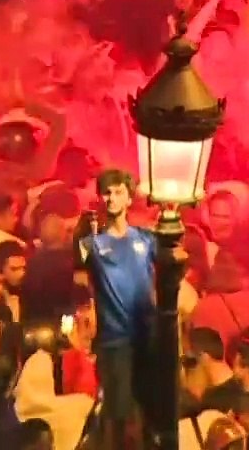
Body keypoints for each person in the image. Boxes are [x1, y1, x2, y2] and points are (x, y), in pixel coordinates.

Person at [77, 168, 170, 448]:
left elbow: (171, 273)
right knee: (117, 414)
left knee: (151, 409)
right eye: (106, 192)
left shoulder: (145, 239)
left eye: (118, 192)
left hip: (147, 337)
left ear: (130, 198)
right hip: (114, 341)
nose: (111, 198)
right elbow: (78, 284)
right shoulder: (91, 244)